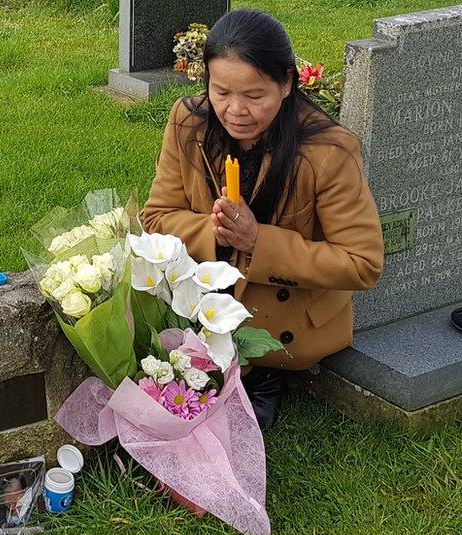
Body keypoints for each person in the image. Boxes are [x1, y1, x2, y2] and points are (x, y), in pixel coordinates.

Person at [140, 10, 384, 430]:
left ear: (287, 83)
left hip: (284, 327)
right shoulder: (189, 122)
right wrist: (212, 233)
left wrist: (259, 242)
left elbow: (362, 263)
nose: (235, 111)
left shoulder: (329, 152)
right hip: (202, 307)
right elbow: (157, 217)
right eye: (221, 92)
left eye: (255, 95)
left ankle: (265, 375)